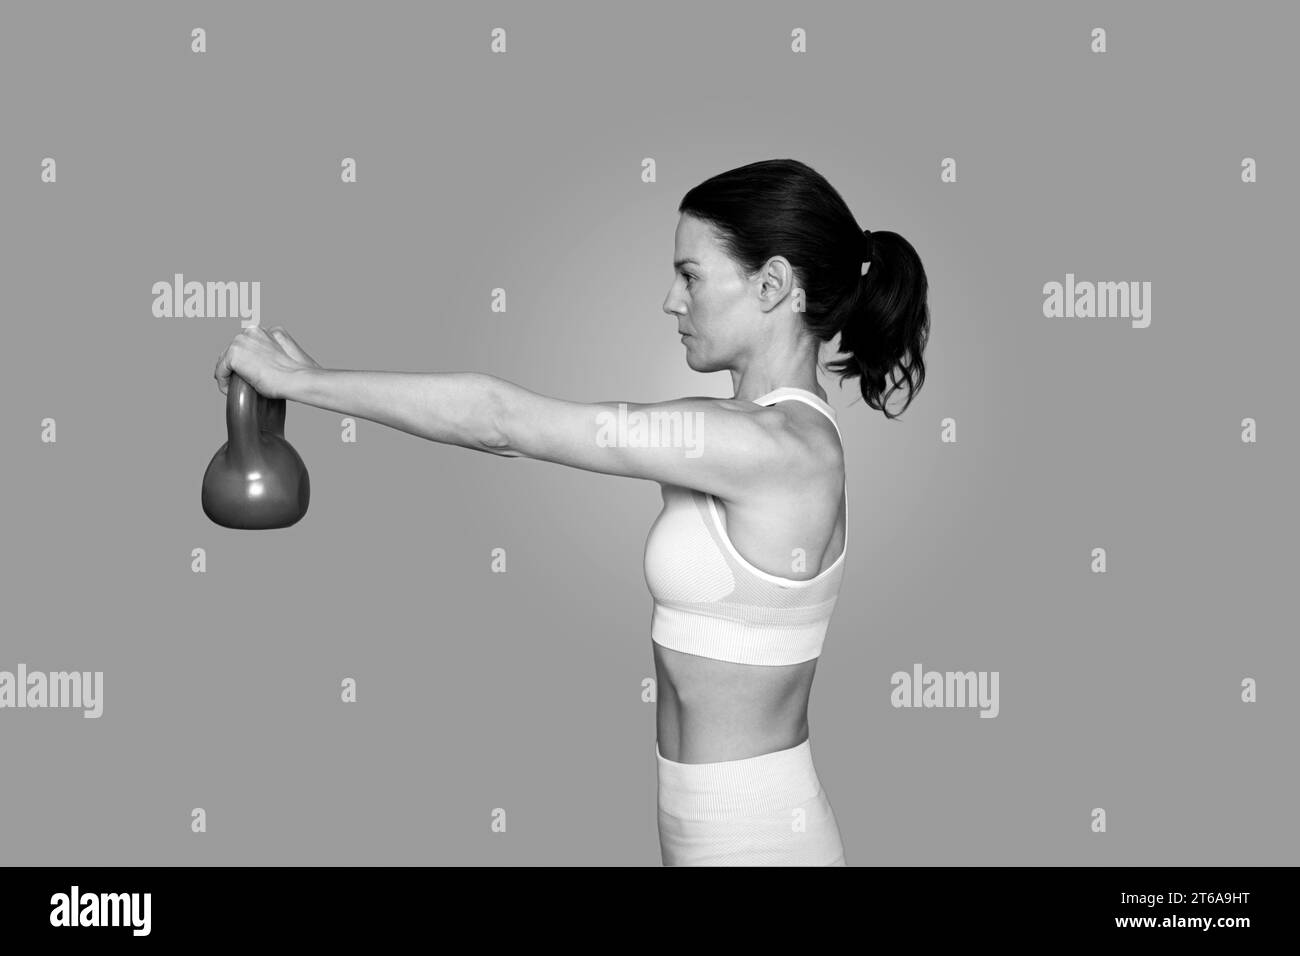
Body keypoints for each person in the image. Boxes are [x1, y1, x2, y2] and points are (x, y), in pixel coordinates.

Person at [214, 158, 931, 865]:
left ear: (772, 283)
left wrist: (308, 382)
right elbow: (506, 437)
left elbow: (502, 420)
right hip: (705, 836)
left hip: (765, 845)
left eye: (691, 275)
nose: (671, 301)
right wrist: (312, 382)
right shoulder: (720, 431)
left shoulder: (777, 448)